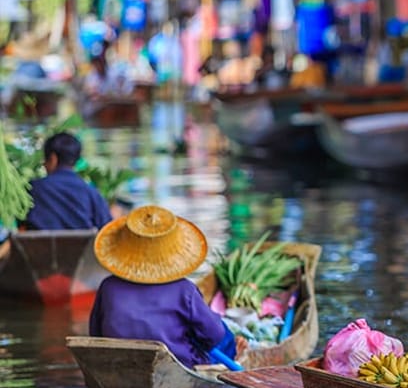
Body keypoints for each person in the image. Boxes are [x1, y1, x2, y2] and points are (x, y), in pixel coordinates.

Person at [89, 205, 245, 369]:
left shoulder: (108, 287)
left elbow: (96, 332)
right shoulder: (185, 290)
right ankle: (236, 355)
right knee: (222, 334)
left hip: (119, 363)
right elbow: (214, 334)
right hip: (179, 364)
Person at [22, 133, 113, 231]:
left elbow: (20, 224)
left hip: (38, 246)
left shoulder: (33, 189)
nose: (44, 165)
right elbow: (107, 230)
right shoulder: (91, 192)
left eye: (45, 161)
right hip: (82, 246)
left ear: (53, 159)